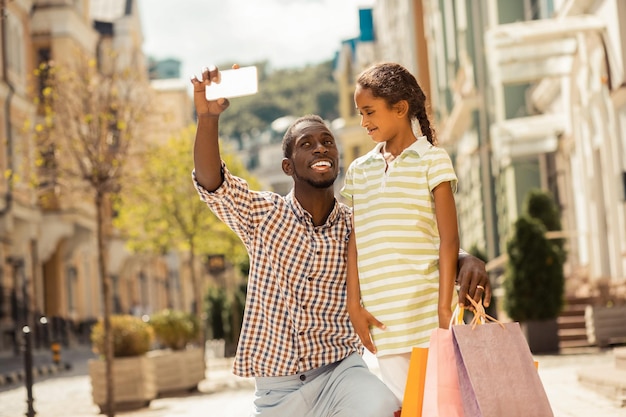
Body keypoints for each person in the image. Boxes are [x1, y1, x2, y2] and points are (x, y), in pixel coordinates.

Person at [190, 64, 491, 417]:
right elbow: (214, 184)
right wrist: (208, 119)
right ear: (288, 166)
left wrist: (465, 259)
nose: (320, 148)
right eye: (307, 144)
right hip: (278, 390)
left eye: (327, 142)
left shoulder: (355, 223)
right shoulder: (264, 216)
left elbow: (407, 235)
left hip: (341, 373)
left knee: (386, 407)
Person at [340, 61, 475, 403]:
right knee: (409, 407)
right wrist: (354, 305)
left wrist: (444, 308)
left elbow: (450, 240)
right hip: (382, 319)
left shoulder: (433, 160)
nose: (363, 122)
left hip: (426, 310)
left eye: (369, 112)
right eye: (360, 113)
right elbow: (355, 242)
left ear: (399, 109)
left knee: (440, 406)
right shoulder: (359, 170)